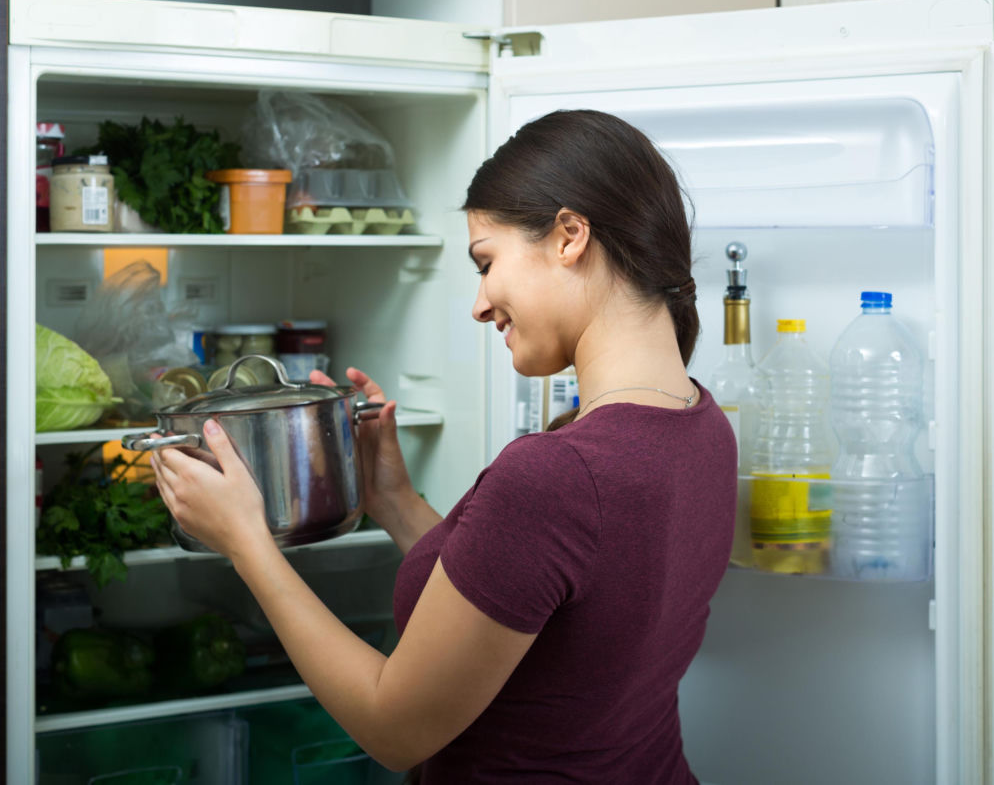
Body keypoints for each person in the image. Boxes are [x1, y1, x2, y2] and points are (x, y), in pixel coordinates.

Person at [150, 108, 737, 783]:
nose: (480, 303)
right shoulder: (701, 423)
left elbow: (393, 727)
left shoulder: (559, 474)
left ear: (570, 236)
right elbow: (528, 606)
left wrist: (246, 544)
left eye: (487, 263)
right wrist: (392, 498)